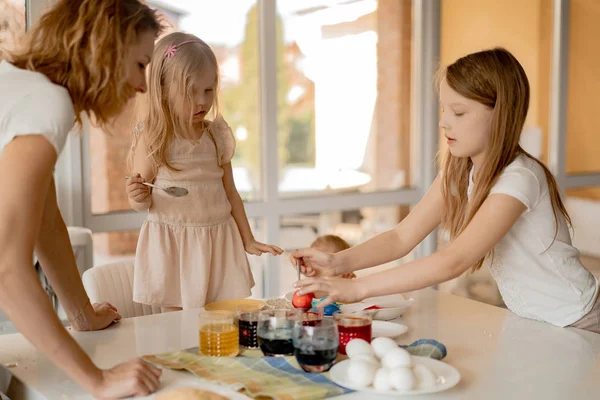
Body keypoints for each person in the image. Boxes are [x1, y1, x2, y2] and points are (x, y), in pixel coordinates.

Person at [292, 48, 600, 333]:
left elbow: (454, 260)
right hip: (533, 320)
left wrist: (357, 289)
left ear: (500, 114)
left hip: (578, 319)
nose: (443, 122)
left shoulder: (519, 178)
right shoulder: (460, 171)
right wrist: (337, 262)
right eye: (443, 110)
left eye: (459, 112)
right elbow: (401, 237)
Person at [0, 0, 164, 396]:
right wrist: (98, 379)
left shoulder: (27, 90)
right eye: (141, 64)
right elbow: (7, 267)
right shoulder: (45, 103)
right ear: (106, 50)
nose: (143, 85)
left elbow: (46, 220)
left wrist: (83, 316)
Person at [127, 32, 283, 312]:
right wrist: (138, 196)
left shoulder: (216, 136)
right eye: (190, 92)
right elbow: (142, 200)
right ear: (162, 89)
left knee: (223, 322)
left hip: (218, 242)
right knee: (177, 327)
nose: (201, 101)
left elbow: (230, 193)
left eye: (208, 90)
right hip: (175, 248)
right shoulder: (155, 138)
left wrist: (248, 239)